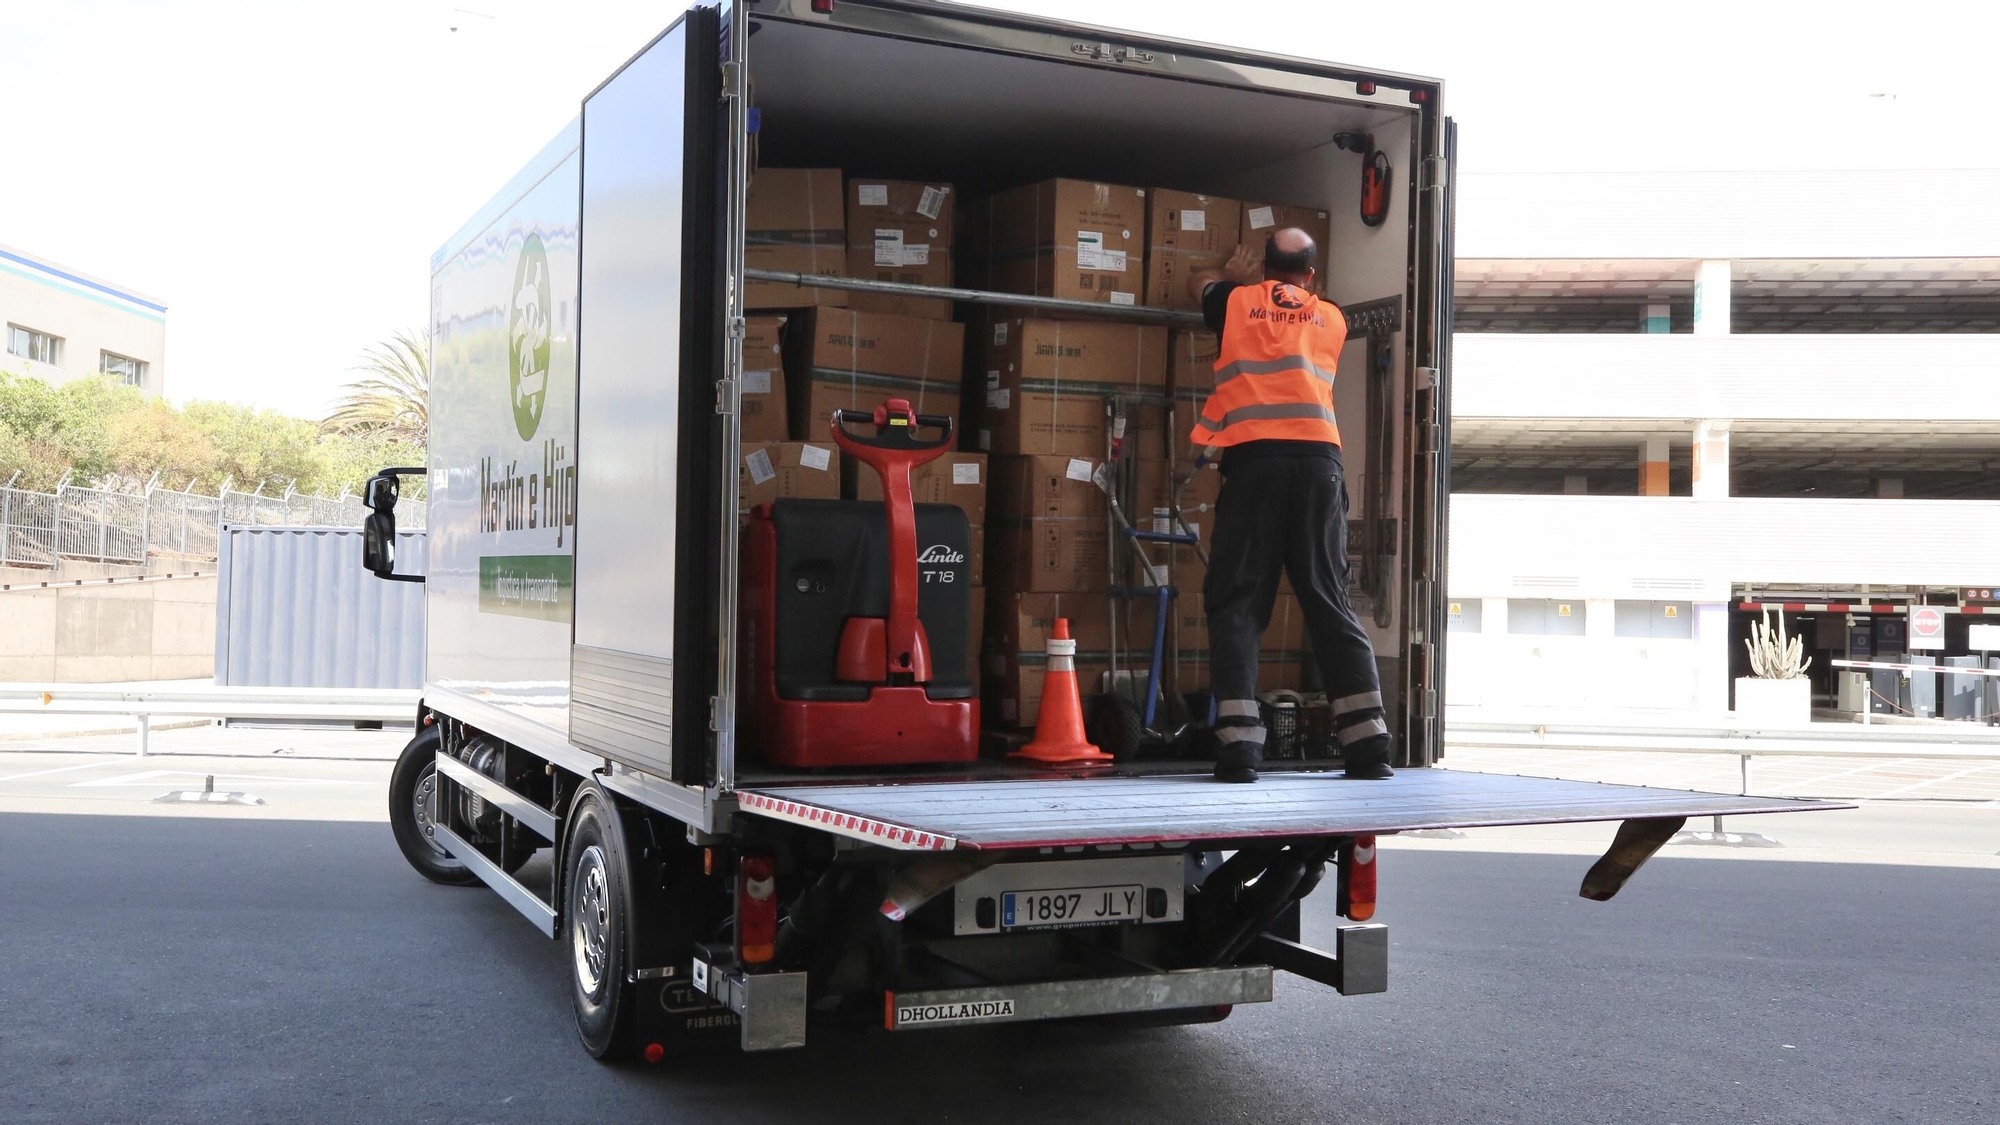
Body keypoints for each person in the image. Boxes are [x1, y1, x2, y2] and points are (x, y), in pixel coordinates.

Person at [1184, 229, 1394, 783]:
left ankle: (1239, 749)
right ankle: (1368, 744)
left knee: (1238, 600)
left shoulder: (1236, 300)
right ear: (1311, 277)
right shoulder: (1332, 317)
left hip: (1255, 465)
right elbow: (1288, 317)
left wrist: (1232, 274)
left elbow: (1197, 283)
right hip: (1319, 465)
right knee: (1327, 598)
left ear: (1264, 271)